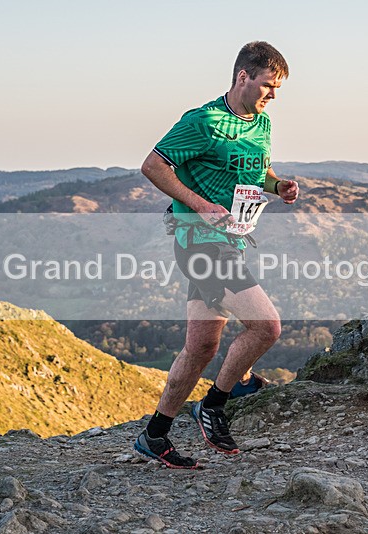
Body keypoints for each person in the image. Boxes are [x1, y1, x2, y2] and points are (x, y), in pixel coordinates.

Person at [134, 41, 298, 469]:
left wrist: (278, 185)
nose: (273, 95)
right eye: (268, 85)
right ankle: (216, 404)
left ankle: (154, 435)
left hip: (233, 241)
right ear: (243, 76)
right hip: (198, 241)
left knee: (201, 347)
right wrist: (201, 205)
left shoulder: (261, 122)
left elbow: (257, 167)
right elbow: (152, 166)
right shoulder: (202, 121)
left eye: (278, 88)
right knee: (266, 327)